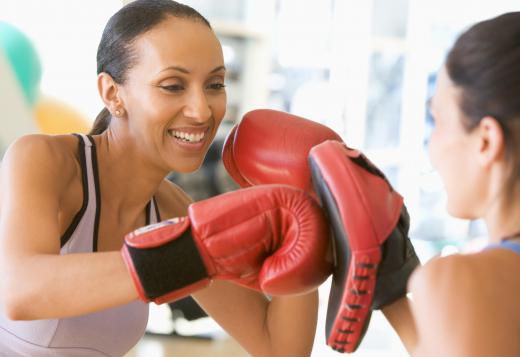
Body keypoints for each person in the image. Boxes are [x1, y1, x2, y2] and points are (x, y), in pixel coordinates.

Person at [0, 1, 332, 356]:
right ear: (113, 94)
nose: (202, 110)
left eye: (215, 84)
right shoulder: (43, 159)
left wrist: (303, 222)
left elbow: (278, 348)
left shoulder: (172, 211)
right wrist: (192, 254)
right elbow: (21, 292)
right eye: (173, 85)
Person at [220, 12, 520, 356]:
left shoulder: (460, 284)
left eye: (437, 121)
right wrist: (390, 283)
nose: (432, 147)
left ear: (486, 141)